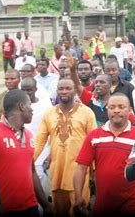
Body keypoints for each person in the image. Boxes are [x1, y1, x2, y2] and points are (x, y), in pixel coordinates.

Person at [73, 93, 135, 216]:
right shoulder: (94, 136)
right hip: (103, 204)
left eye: (121, 107)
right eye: (112, 107)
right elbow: (81, 167)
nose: (116, 111)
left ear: (130, 110)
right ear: (107, 110)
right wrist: (78, 196)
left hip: (131, 205)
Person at [34, 79, 97, 216]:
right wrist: (29, 161)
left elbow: (94, 142)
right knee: (58, 210)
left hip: (78, 172)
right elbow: (40, 140)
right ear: (56, 91)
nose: (64, 91)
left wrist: (93, 170)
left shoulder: (87, 113)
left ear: (75, 91)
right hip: (57, 171)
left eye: (68, 88)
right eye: (61, 88)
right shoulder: (49, 113)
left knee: (79, 209)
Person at [0, 90, 52, 216]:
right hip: (3, 210)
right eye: (29, 104)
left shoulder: (28, 135)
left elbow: (32, 172)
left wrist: (45, 205)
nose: (32, 109)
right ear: (22, 106)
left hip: (31, 208)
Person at [21, 78, 53, 193]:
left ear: (35, 89)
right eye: (23, 90)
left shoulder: (46, 106)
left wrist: (50, 153)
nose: (26, 93)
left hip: (42, 149)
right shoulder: (19, 105)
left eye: (29, 90)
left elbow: (52, 130)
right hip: (23, 148)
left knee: (39, 175)